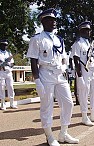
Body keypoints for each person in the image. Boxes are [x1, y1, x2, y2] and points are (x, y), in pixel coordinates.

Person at [27, 8, 79, 146]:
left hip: (60, 74)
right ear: (43, 22)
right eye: (50, 19)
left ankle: (63, 133)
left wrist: (64, 66)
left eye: (55, 19)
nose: (54, 22)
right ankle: (49, 136)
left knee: (68, 103)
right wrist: (37, 81)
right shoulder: (37, 39)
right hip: (45, 74)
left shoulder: (59, 39)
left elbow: (64, 58)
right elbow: (33, 61)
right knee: (47, 105)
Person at [70, 21, 94, 126]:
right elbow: (76, 60)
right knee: (84, 93)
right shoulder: (77, 43)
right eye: (86, 30)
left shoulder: (89, 43)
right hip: (83, 71)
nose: (88, 32)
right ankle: (84, 116)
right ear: (81, 31)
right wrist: (79, 77)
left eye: (89, 30)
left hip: (92, 70)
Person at [0, 39, 17, 110]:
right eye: (3, 45)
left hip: (9, 72)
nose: (5, 46)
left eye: (6, 45)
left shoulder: (9, 53)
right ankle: (2, 104)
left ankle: (12, 103)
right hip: (1, 72)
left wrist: (8, 63)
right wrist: (1, 64)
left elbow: (12, 63)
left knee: (11, 87)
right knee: (2, 88)